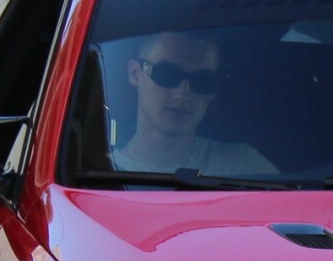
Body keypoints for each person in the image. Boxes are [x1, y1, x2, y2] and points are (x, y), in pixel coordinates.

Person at [112, 32, 274, 174]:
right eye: (167, 74)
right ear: (135, 73)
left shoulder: (246, 166)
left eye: (202, 81)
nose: (182, 94)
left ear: (213, 90)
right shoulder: (98, 171)